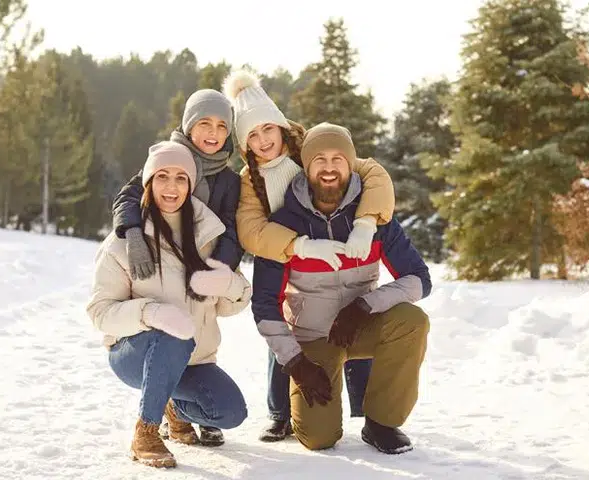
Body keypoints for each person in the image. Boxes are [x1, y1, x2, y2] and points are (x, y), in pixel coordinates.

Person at [223, 70, 396, 441]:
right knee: (283, 325)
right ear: (245, 144)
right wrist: (298, 246)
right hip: (289, 260)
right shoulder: (250, 181)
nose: (262, 140)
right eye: (252, 135)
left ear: (281, 127)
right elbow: (250, 229)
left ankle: (366, 409)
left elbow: (373, 173)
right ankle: (280, 412)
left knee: (353, 317)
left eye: (267, 129)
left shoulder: (311, 151)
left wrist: (366, 222)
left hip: (342, 251)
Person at [251, 122, 432, 454]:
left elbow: (419, 279)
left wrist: (364, 306)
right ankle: (293, 412)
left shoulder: (375, 220)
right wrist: (295, 363)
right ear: (305, 167)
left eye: (338, 159)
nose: (329, 168)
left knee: (412, 321)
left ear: (351, 165)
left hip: (360, 327)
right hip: (313, 339)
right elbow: (263, 304)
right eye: (319, 159)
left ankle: (381, 424)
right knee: (318, 439)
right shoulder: (283, 226)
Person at [86, 141, 251, 468]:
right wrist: (150, 313)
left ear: (190, 185)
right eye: (162, 176)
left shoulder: (209, 235)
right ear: (148, 182)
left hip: (194, 360)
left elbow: (233, 303)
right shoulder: (124, 243)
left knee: (231, 411)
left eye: (180, 178)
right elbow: (100, 313)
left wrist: (228, 283)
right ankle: (145, 431)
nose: (171, 187)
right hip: (135, 354)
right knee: (173, 333)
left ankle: (170, 404)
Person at [112, 88, 243, 278]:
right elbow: (128, 196)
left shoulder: (229, 182)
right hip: (157, 257)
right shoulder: (166, 159)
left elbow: (232, 233)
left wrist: (214, 270)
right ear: (189, 125)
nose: (213, 132)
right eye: (205, 122)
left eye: (222, 126)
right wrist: (133, 234)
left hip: (200, 266)